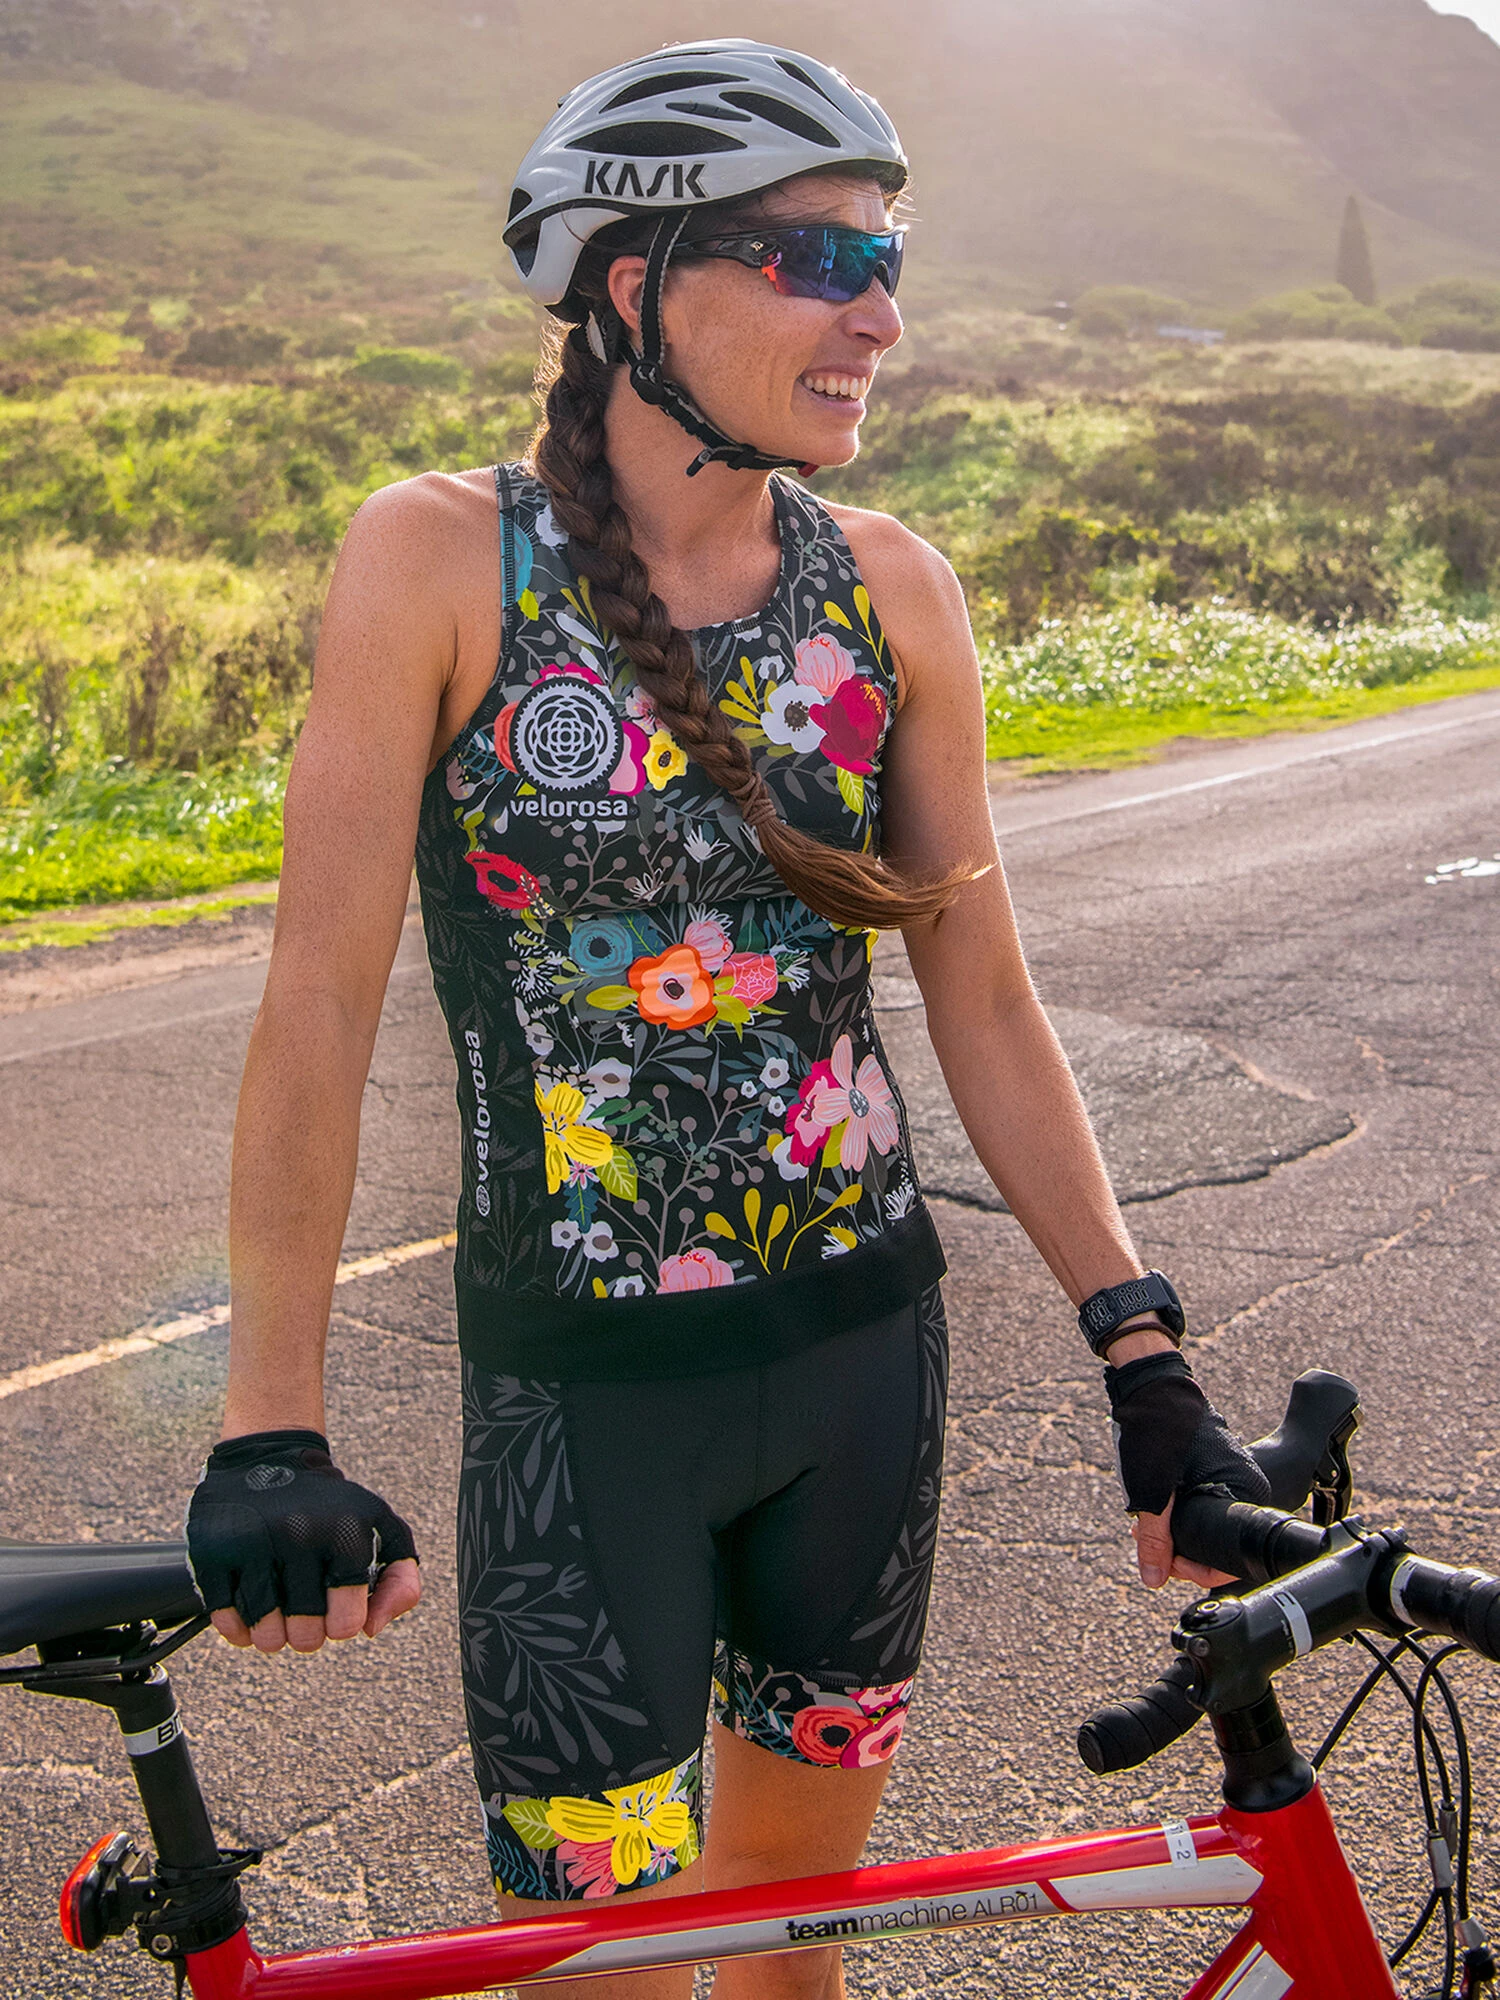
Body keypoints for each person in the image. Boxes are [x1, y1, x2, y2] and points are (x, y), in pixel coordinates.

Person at [184, 39, 1269, 2000]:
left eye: (889, 258)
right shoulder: (439, 562)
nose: (881, 317)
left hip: (865, 1373)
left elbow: (986, 998)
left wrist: (1144, 1352)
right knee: (605, 1965)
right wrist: (271, 1420)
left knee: (794, 1938)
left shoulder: (893, 593)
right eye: (817, 258)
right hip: (584, 1415)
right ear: (633, 287)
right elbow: (318, 1005)